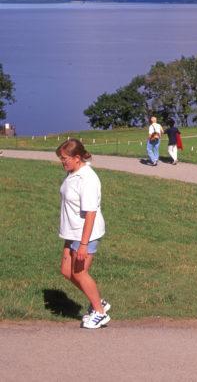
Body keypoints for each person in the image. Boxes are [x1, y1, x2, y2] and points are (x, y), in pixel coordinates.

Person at [56, 138, 110, 329]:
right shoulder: (73, 173)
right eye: (61, 158)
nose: (62, 162)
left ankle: (100, 313)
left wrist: (84, 244)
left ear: (77, 157)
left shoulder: (87, 179)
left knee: (79, 273)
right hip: (72, 232)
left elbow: (91, 214)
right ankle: (97, 301)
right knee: (66, 271)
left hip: (85, 234)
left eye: (65, 158)